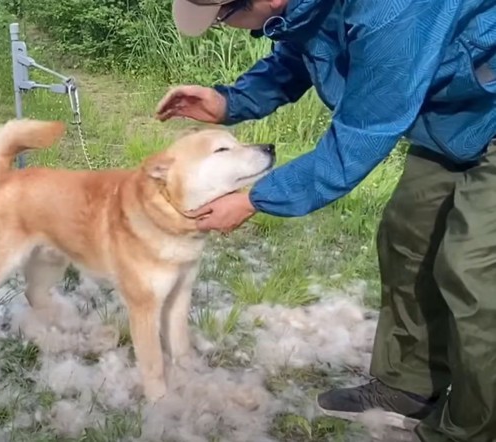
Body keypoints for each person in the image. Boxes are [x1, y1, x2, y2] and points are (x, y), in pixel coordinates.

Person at [155, 0, 496, 441]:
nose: (228, 27)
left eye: (223, 17)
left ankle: (473, 428)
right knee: (407, 238)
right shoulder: (305, 7)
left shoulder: (391, 11)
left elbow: (359, 137)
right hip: (454, 118)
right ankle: (407, 388)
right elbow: (301, 52)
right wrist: (229, 101)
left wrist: (255, 199)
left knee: (474, 270)